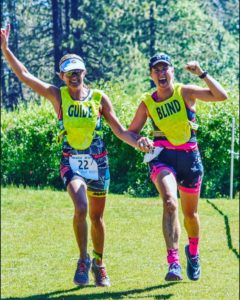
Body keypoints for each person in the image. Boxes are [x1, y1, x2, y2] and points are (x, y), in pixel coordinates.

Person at [0, 24, 152, 287]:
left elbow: (119, 130)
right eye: (69, 73)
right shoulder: (57, 96)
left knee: (97, 218)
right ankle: (82, 260)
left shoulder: (99, 98)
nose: (74, 76)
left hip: (99, 163)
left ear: (84, 72)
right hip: (71, 161)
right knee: (80, 207)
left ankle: (99, 263)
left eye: (77, 72)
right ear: (62, 75)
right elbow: (24, 75)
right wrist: (5, 49)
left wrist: (139, 141)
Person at [128, 52, 228, 281]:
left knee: (190, 214)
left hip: (189, 158)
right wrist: (140, 141)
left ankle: (193, 253)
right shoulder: (147, 102)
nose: (162, 73)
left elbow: (221, 96)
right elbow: (131, 132)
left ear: (172, 71)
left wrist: (201, 73)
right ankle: (173, 263)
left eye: (165, 69)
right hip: (161, 156)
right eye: (157, 70)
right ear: (151, 75)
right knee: (170, 202)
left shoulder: (185, 92)